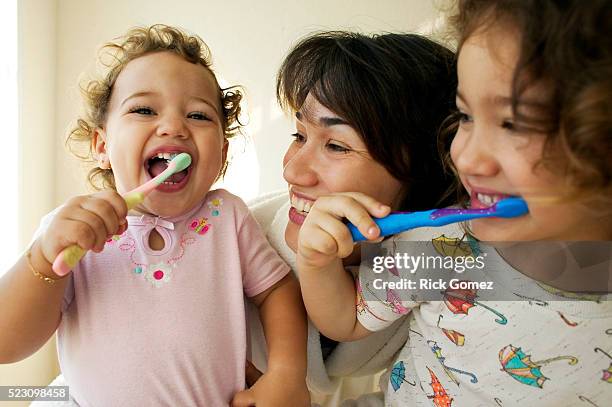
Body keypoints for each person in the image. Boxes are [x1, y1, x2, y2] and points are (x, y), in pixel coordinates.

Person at [295, 1, 612, 406]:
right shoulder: (445, 249)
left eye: (513, 123)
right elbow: (347, 321)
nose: (466, 156)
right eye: (465, 116)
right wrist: (316, 261)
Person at [0, 25, 309, 406]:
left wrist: (286, 374)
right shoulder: (72, 231)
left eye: (198, 115)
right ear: (101, 146)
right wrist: (42, 260)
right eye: (144, 109)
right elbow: (6, 343)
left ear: (223, 154)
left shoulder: (227, 216)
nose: (174, 126)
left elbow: (277, 291)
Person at [247, 31, 457, 406]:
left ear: (425, 168)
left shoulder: (437, 260)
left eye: (336, 146)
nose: (293, 171)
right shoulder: (231, 242)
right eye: (298, 135)